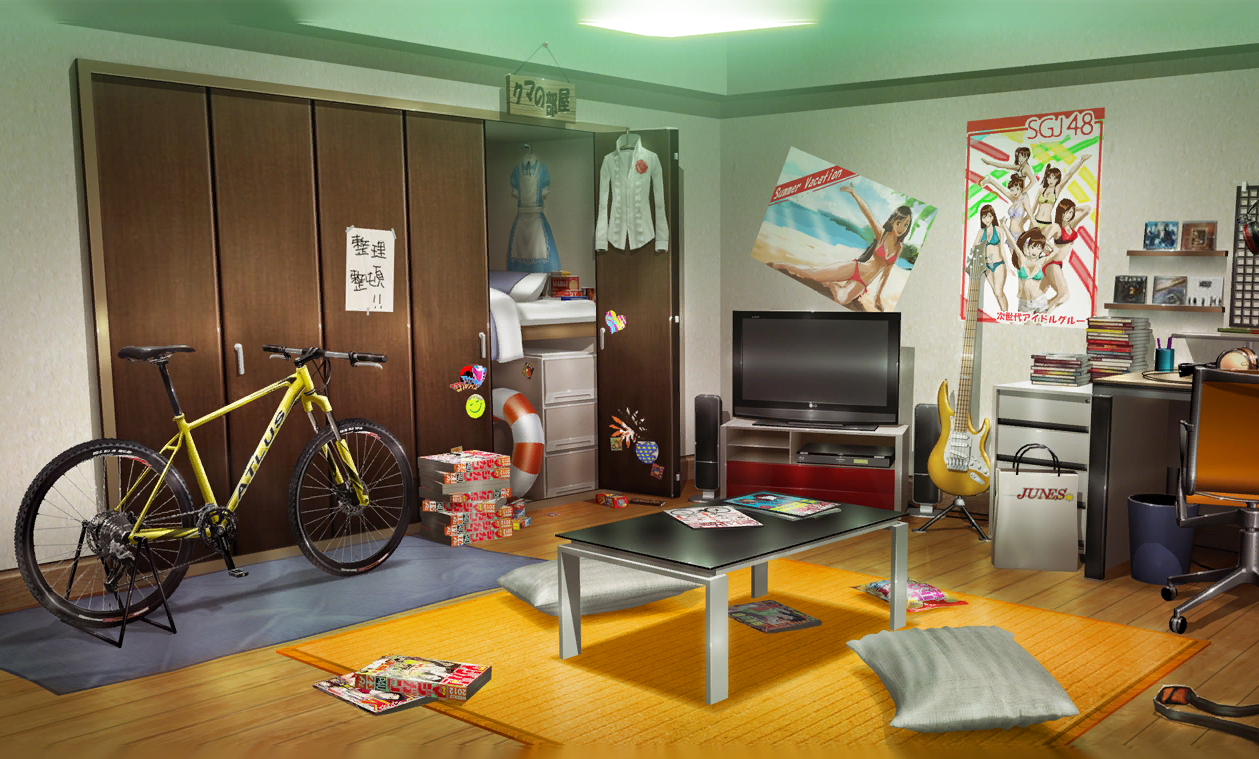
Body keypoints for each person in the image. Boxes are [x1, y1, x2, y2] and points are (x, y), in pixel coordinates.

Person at [770, 183, 912, 311]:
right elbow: (868, 213)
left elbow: (886, 274)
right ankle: (784, 265)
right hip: (856, 268)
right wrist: (854, 194)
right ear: (893, 221)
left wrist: (878, 297)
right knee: (814, 274)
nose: (901, 228)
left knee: (841, 299)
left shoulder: (898, 248)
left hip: (863, 282)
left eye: (906, 224)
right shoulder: (882, 235)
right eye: (899, 223)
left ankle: (830, 284)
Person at [1040, 198, 1092, 312]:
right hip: (1052, 264)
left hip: (1058, 264)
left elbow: (1087, 209)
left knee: (1054, 295)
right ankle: (1043, 315)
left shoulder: (1071, 224)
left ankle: (1040, 313)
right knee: (1064, 295)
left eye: (1071, 213)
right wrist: (1051, 250)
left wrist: (1072, 209)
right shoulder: (1056, 227)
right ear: (1060, 212)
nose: (1069, 215)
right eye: (1066, 212)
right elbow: (1041, 240)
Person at [970, 203, 1014, 312]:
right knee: (996, 293)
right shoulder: (981, 232)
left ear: (993, 216)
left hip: (999, 264)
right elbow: (974, 246)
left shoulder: (998, 230)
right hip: (987, 266)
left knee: (999, 292)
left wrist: (1007, 266)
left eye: (989, 216)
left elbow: (1002, 249)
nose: (987, 219)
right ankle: (1004, 312)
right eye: (984, 217)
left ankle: (1006, 313)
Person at [1032, 153, 1091, 231]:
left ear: (1058, 180)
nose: (1051, 180)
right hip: (1035, 221)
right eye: (1049, 177)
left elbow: (1069, 175)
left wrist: (1082, 160)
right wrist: (1028, 219)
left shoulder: (1057, 189)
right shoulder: (1041, 190)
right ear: (1047, 178)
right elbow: (1034, 207)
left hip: (1047, 223)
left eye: (1054, 178)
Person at [1002, 221, 1052, 313]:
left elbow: (1056, 251)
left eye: (1038, 248)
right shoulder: (1022, 259)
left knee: (1040, 323)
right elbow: (1013, 242)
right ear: (1028, 247)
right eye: (1032, 247)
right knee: (1026, 323)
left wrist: (1045, 242)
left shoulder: (1042, 261)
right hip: (1024, 303)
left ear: (1042, 250)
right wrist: (1004, 226)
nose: (1034, 251)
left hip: (1040, 301)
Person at [983, 173, 1035, 239]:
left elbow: (1031, 215)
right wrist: (990, 181)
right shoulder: (1014, 199)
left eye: (1017, 189)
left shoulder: (1024, 199)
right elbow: (1002, 190)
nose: (1015, 192)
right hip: (1010, 234)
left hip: (1019, 234)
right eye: (1012, 190)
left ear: (1021, 188)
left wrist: (1038, 231)